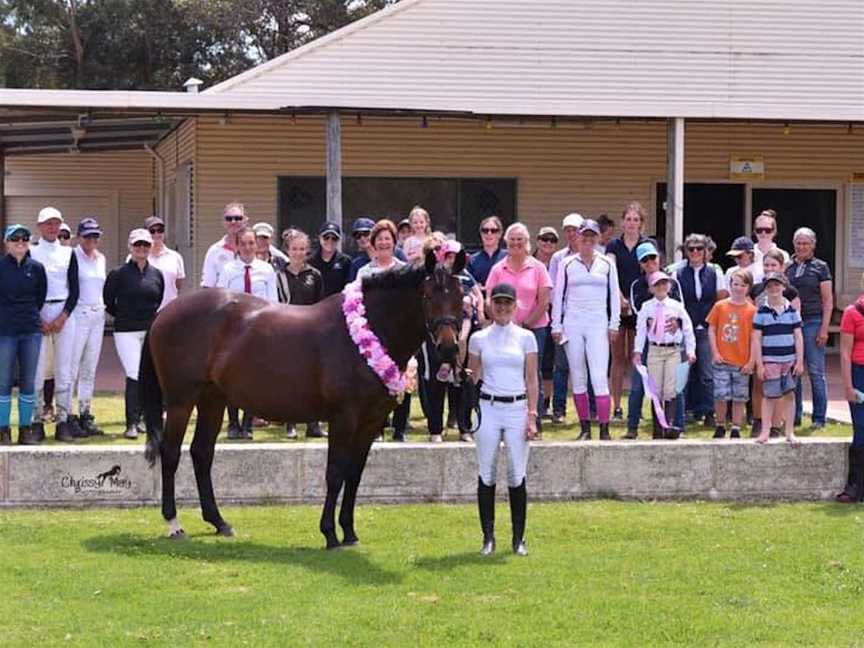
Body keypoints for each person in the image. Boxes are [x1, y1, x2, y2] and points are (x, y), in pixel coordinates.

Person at [467, 282, 538, 556]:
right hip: (488, 407)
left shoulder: (525, 337)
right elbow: (473, 376)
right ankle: (488, 537)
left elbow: (531, 379)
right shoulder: (479, 338)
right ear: (491, 305)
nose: (503, 307)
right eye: (498, 302)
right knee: (486, 473)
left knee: (517, 473)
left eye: (508, 303)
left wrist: (532, 415)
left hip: (517, 407)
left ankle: (518, 538)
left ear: (515, 305)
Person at [551, 219, 620, 440]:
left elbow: (614, 295)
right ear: (578, 238)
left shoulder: (607, 263)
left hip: (598, 322)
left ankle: (604, 428)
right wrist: (557, 324)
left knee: (599, 376)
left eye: (592, 236)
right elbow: (558, 295)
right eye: (584, 236)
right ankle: (585, 428)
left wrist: (614, 324)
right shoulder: (567, 264)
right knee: (578, 375)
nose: (588, 240)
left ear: (598, 238)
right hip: (573, 322)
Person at [485, 223, 552, 433]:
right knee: (507, 371)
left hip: (534, 329)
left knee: (533, 374)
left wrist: (527, 324)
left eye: (520, 239)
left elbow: (544, 302)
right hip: (503, 329)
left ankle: (534, 420)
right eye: (512, 239)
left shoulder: (538, 267)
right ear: (506, 242)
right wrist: (501, 321)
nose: (516, 243)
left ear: (527, 242)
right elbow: (488, 299)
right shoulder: (498, 269)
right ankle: (507, 421)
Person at [217, 226, 278, 439]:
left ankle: (248, 424)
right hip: (234, 331)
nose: (248, 247)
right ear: (237, 245)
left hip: (258, 331)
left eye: (251, 243)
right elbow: (221, 301)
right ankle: (233, 424)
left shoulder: (266, 270)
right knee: (232, 378)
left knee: (253, 378)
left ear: (256, 245)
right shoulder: (228, 270)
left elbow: (273, 302)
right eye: (243, 243)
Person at [104, 229, 164, 439]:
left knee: (151, 374)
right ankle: (131, 423)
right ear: (130, 247)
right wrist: (123, 316)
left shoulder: (156, 274)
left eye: (146, 245)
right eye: (137, 245)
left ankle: (148, 419)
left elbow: (158, 300)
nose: (142, 249)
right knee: (133, 373)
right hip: (126, 330)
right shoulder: (118, 274)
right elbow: (108, 301)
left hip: (150, 330)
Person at [624, 241, 684, 438]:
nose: (650, 262)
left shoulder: (672, 282)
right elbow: (636, 309)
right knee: (641, 386)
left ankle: (676, 426)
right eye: (645, 260)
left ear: (659, 258)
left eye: (652, 258)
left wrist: (678, 324)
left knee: (674, 385)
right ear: (640, 263)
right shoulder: (637, 285)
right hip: (648, 341)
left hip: (671, 339)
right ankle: (634, 427)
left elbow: (680, 309)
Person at [29, 207, 79, 443]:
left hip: (63, 314)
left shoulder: (69, 254)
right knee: (38, 371)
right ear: (39, 226)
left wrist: (63, 316)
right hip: (38, 314)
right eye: (48, 223)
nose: (52, 228)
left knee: (64, 370)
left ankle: (63, 420)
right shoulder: (31, 252)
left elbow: (74, 288)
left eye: (56, 223)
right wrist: (38, 318)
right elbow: (26, 288)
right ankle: (37, 421)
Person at [606, 202, 655, 421]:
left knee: (637, 357)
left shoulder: (649, 244)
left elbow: (653, 272)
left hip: (641, 307)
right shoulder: (613, 246)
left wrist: (636, 301)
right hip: (618, 306)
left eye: (636, 220)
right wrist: (619, 298)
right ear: (622, 222)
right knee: (618, 358)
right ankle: (616, 407)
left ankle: (636, 406)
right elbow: (610, 272)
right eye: (628, 219)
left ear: (641, 223)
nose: (632, 224)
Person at [674, 233, 728, 427]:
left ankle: (708, 411)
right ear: (686, 252)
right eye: (691, 249)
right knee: (684, 371)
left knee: (707, 372)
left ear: (706, 251)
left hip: (707, 328)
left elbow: (720, 299)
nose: (695, 252)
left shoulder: (715, 272)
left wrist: (710, 322)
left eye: (699, 248)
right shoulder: (678, 273)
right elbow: (675, 301)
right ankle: (686, 410)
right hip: (685, 328)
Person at [633, 272, 696, 439]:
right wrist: (637, 351)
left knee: (670, 388)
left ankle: (668, 425)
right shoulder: (647, 307)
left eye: (664, 284)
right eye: (657, 284)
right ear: (651, 288)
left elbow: (688, 328)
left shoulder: (676, 306)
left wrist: (690, 350)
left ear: (669, 286)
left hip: (673, 350)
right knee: (655, 389)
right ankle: (657, 428)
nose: (661, 287)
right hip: (655, 350)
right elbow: (640, 331)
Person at [0, 225, 47, 445]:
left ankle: (25, 429)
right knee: (4, 382)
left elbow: (40, 297)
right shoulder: (1, 267)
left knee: (29, 381)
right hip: (5, 332)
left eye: (25, 238)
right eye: (15, 238)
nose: (20, 242)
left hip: (31, 331)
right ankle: (3, 430)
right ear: (6, 242)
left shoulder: (36, 268)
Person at [748, 249, 801, 437]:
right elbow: (755, 333)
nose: (774, 289)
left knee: (786, 393)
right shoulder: (758, 303)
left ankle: (783, 429)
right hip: (767, 354)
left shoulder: (791, 303)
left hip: (787, 356)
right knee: (765, 391)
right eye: (767, 264)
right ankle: (762, 426)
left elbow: (798, 333)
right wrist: (757, 361)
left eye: (774, 265)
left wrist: (799, 360)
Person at [786, 227, 832, 430]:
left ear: (813, 245)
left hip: (813, 322)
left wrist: (824, 328)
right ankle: (794, 416)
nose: (802, 246)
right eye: (798, 243)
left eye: (806, 243)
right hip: (791, 324)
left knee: (816, 371)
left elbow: (828, 299)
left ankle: (819, 418)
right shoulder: (788, 267)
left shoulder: (820, 267)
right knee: (794, 371)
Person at [281, 228, 326, 439]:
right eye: (294, 249)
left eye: (302, 249)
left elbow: (320, 303)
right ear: (287, 250)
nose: (298, 252)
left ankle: (313, 423)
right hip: (287, 331)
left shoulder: (315, 275)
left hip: (310, 332)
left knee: (312, 379)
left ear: (307, 251)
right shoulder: (279, 275)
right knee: (290, 378)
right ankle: (290, 423)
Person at [706, 269, 757, 439]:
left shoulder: (752, 310)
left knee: (740, 396)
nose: (738, 288)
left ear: (748, 287)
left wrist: (751, 361)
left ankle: (736, 427)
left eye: (743, 285)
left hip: (741, 361)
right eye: (735, 284)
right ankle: (720, 424)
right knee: (720, 395)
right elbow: (712, 329)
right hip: (722, 359)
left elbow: (754, 337)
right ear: (730, 285)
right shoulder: (720, 306)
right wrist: (715, 352)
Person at [68, 218, 107, 437]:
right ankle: (68, 415)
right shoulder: (72, 256)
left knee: (89, 369)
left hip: (97, 315)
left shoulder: (101, 258)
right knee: (72, 368)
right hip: (78, 315)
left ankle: (85, 413)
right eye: (87, 236)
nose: (91, 240)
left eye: (95, 236)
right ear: (79, 236)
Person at [547, 212, 583, 424]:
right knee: (561, 365)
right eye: (568, 230)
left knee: (585, 364)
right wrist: (557, 320)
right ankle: (558, 410)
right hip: (563, 316)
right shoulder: (558, 258)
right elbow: (552, 291)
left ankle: (591, 409)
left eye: (575, 230)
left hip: (586, 317)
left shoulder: (596, 256)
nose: (571, 234)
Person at [837, 281, 864, 502]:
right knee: (861, 430)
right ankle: (854, 487)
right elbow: (845, 352)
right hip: (859, 374)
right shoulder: (852, 312)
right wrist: (848, 386)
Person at [534, 226, 559, 420]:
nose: (547, 243)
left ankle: (546, 403)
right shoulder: (530, 261)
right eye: (544, 239)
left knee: (550, 361)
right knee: (536, 360)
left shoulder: (560, 262)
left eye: (552, 240)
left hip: (555, 314)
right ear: (537, 240)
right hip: (536, 314)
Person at [201, 202, 248, 287]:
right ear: (223, 222)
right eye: (229, 218)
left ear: (245, 221)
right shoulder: (214, 251)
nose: (233, 222)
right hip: (224, 299)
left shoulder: (255, 248)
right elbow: (208, 285)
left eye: (238, 218)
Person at [144, 216, 186, 310]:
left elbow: (178, 284)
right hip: (145, 311)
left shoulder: (175, 257)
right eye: (152, 231)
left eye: (160, 230)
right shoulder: (137, 257)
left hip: (170, 310)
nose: (156, 234)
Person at [308, 222, 351, 297]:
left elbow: (348, 288)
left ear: (338, 240)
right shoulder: (310, 261)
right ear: (319, 238)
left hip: (337, 306)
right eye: (326, 237)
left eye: (334, 238)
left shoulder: (345, 261)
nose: (330, 241)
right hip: (315, 306)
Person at [467, 215, 506, 286]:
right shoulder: (472, 260)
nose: (489, 233)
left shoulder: (508, 257)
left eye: (493, 231)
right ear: (481, 234)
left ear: (500, 234)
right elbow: (468, 285)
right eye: (485, 230)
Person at [348, 217, 376, 282]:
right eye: (358, 236)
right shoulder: (356, 264)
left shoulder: (395, 253)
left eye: (366, 234)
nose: (362, 238)